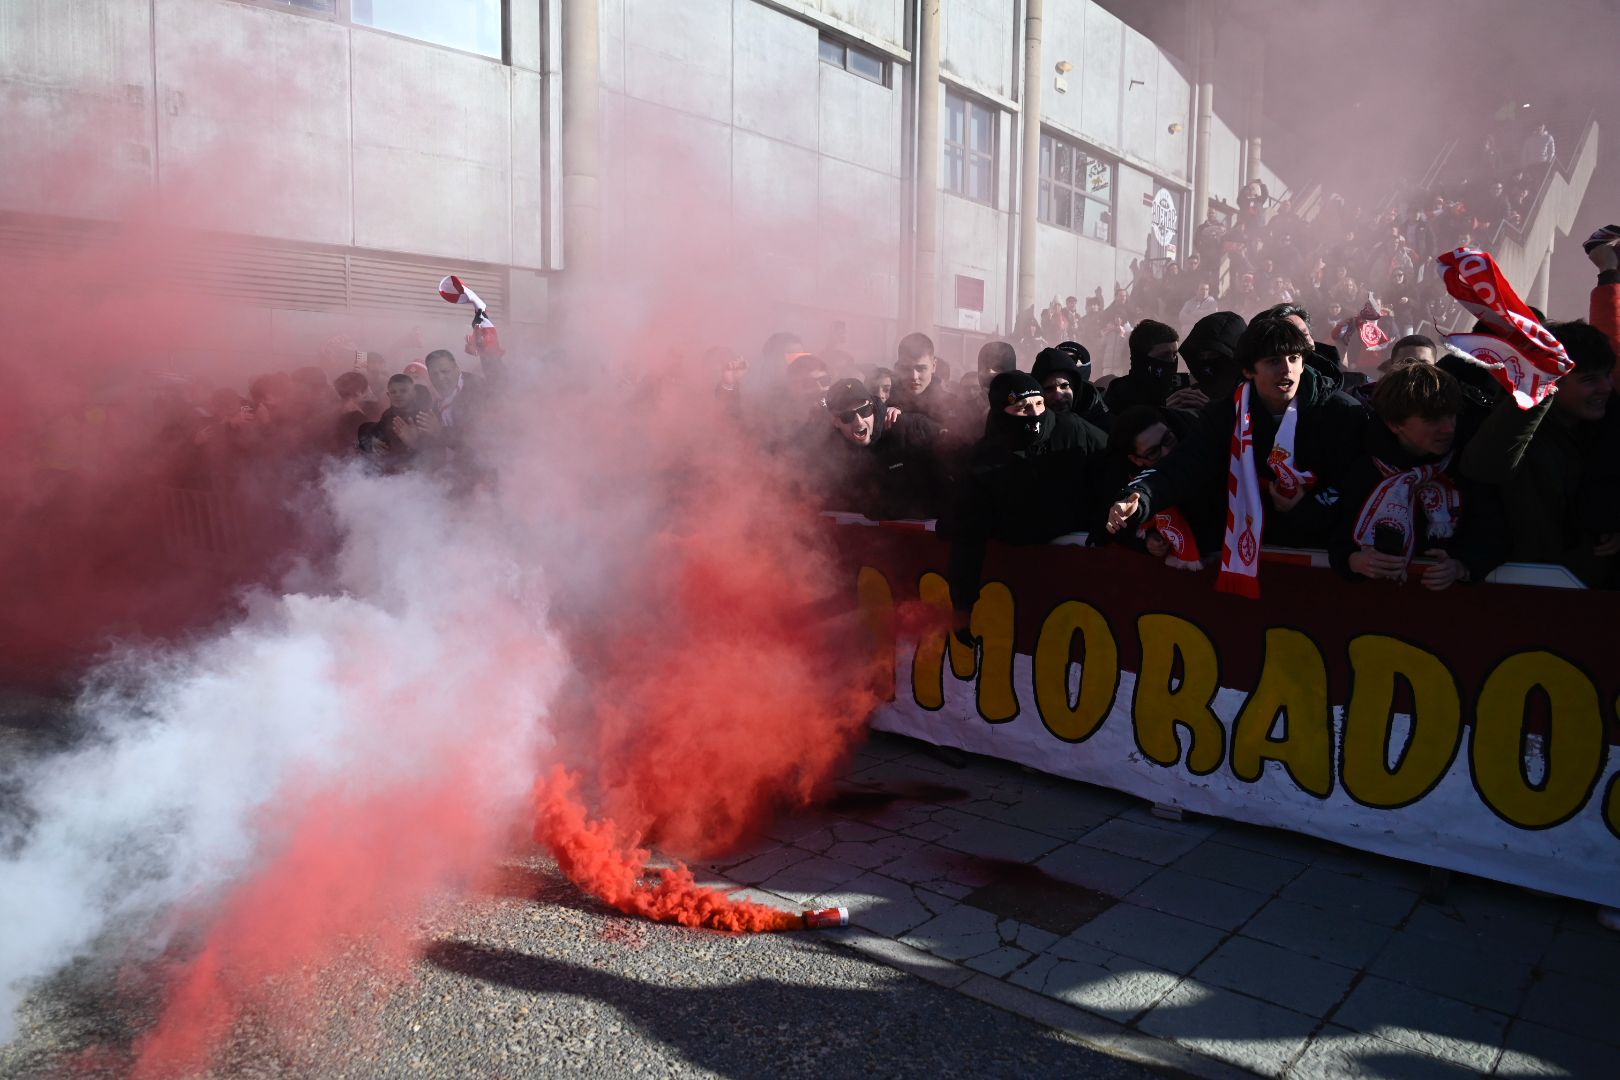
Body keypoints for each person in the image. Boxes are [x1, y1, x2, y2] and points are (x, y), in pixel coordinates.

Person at [1105, 317, 1367, 595]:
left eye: (1294, 358)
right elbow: (1184, 466)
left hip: (1329, 564)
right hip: (1260, 563)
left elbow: (1358, 489)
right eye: (1273, 361)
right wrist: (1140, 496)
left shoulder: (1342, 413)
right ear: (1248, 370)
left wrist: (1305, 507)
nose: (1286, 370)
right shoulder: (1226, 415)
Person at [1461, 320, 1618, 587]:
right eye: (1590, 379)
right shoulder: (1512, 429)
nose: (1605, 387)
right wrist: (1534, 391)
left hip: (1597, 594)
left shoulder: (1607, 428)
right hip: (1531, 590)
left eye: (1607, 374)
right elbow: (1484, 467)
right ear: (1550, 381)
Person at [943, 371, 1108, 618]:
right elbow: (969, 535)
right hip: (1017, 580)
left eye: (1039, 403)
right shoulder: (984, 457)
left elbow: (1116, 464)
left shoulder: (1072, 429)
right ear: (1002, 412)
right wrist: (963, 604)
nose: (1034, 414)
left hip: (1082, 575)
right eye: (1022, 407)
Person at [1331, 362, 1505, 589]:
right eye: (1433, 419)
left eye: (1452, 415)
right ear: (1395, 424)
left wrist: (1461, 566)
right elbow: (1335, 532)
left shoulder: (1468, 461)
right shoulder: (1364, 465)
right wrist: (1355, 561)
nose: (1449, 428)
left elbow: (1494, 532)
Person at [806, 378, 946, 520]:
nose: (859, 421)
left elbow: (957, 460)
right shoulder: (828, 450)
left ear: (872, 408)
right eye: (847, 416)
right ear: (835, 421)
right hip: (865, 536)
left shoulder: (911, 428)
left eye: (865, 410)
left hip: (921, 533)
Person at [1103, 320, 1183, 414]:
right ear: (1141, 358)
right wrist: (1162, 413)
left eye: (1174, 354)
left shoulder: (1178, 387)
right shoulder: (1121, 393)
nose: (1172, 361)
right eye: (1163, 356)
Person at [1031, 346, 1111, 432]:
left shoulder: (1102, 420)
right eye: (1049, 389)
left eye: (1064, 386)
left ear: (1075, 388)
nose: (1058, 397)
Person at [892, 332, 957, 430]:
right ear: (898, 367)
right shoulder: (886, 400)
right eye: (906, 369)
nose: (914, 376)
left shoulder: (952, 405)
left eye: (921, 369)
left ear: (934, 366)